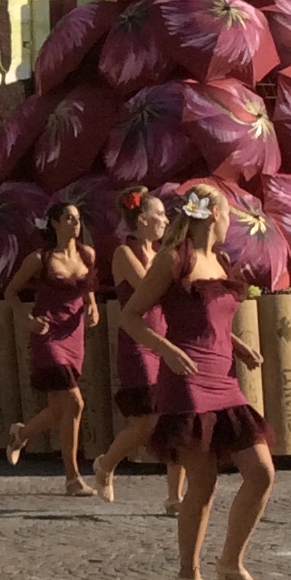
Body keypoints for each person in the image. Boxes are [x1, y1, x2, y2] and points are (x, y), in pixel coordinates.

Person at [125, 188, 275, 580]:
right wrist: (167, 351)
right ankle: (188, 575)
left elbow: (214, 320)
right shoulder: (174, 260)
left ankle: (231, 562)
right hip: (186, 380)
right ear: (214, 217)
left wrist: (240, 347)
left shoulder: (220, 262)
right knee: (203, 481)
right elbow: (130, 317)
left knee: (261, 471)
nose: (232, 223)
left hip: (223, 379)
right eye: (230, 214)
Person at [89, 192, 182, 512]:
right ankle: (106, 463)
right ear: (142, 220)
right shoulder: (123, 254)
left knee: (175, 418)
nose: (166, 221)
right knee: (147, 422)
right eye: (161, 215)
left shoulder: (162, 252)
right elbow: (150, 289)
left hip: (166, 340)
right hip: (138, 344)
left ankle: (174, 496)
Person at [3, 200, 100, 496]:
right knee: (75, 402)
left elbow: (89, 287)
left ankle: (21, 433)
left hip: (75, 334)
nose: (75, 223)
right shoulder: (40, 259)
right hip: (47, 334)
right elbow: (11, 292)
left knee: (61, 409)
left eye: (78, 218)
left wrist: (92, 306)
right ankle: (73, 478)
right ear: (55, 223)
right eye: (68, 218)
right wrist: (27, 319)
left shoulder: (88, 254)